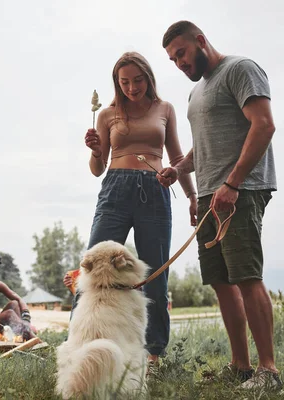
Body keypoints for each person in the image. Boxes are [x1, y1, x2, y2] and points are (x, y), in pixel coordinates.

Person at [159, 21, 281, 391]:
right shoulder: (197, 94)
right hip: (211, 195)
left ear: (200, 41)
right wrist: (178, 169)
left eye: (181, 53)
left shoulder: (240, 69)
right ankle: (241, 367)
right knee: (221, 282)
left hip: (240, 191)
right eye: (172, 59)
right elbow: (203, 149)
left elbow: (264, 125)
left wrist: (233, 183)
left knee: (246, 276)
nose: (178, 63)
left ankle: (269, 371)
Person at [80, 51, 197, 366]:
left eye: (138, 80)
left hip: (156, 191)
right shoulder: (107, 114)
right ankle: (84, 345)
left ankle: (153, 354)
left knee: (156, 275)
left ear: (148, 77)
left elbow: (176, 156)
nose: (132, 87)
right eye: (125, 82)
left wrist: (191, 196)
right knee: (93, 268)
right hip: (115, 190)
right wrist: (94, 151)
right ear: (117, 83)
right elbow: (97, 169)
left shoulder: (165, 109)